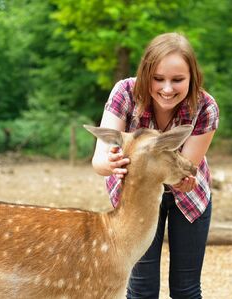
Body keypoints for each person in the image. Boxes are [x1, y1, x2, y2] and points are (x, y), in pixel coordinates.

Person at [91, 32, 219, 299]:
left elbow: (186, 169)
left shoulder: (205, 106)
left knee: (186, 290)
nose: (167, 88)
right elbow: (100, 161)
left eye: (178, 80)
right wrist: (110, 163)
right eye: (158, 79)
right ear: (146, 73)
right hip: (137, 200)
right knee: (141, 290)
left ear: (192, 77)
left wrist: (186, 178)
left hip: (188, 196)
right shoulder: (124, 93)